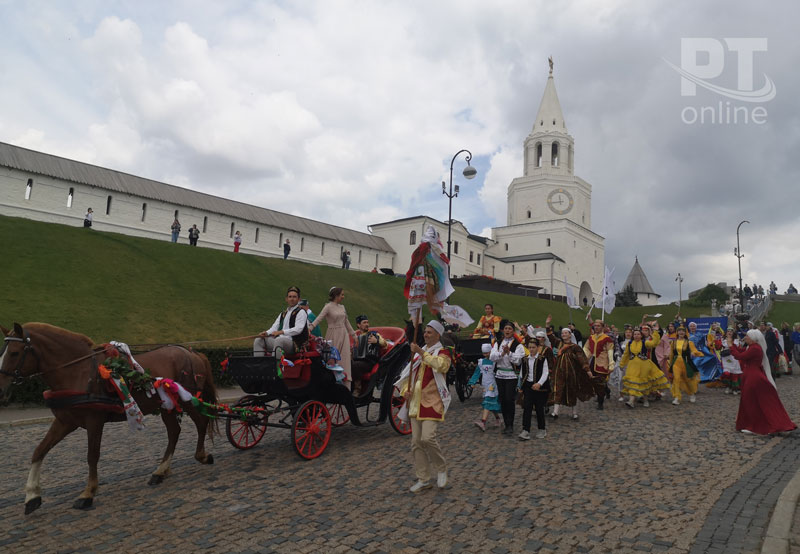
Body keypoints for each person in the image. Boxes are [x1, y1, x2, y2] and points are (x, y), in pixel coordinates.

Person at [395, 320, 452, 492]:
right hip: (415, 402)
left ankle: (441, 469)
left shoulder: (443, 352)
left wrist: (421, 352)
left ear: (437, 335)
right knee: (416, 443)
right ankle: (424, 478)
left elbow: (441, 366)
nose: (425, 334)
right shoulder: (418, 354)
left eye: (429, 332)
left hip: (433, 401)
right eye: (425, 331)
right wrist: (405, 390)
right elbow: (408, 376)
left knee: (428, 438)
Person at [731, 330, 797, 435]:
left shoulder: (755, 348)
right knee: (749, 401)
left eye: (747, 336)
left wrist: (731, 347)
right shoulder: (753, 347)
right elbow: (741, 350)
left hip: (753, 377)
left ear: (753, 338)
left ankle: (754, 425)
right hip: (751, 375)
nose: (745, 338)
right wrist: (732, 345)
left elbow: (741, 356)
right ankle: (751, 424)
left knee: (751, 402)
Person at [309, 287, 357, 387]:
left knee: (345, 360)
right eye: (342, 295)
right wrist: (310, 328)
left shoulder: (342, 307)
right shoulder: (328, 307)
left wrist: (354, 335)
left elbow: (346, 322)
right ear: (336, 295)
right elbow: (319, 318)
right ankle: (331, 386)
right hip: (333, 335)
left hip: (344, 335)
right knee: (333, 361)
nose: (343, 297)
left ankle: (346, 387)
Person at [549, 327, 599, 420]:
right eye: (562, 333)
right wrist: (547, 325)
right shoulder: (559, 344)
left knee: (572, 391)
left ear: (570, 335)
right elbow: (551, 337)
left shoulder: (575, 347)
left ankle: (574, 413)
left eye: (565, 333)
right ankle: (555, 412)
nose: (563, 334)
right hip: (559, 373)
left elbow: (582, 359)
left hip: (571, 373)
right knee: (558, 390)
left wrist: (588, 370)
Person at [490, 320, 526, 435]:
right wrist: (502, 354)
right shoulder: (498, 343)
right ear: (502, 330)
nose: (507, 331)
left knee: (509, 399)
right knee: (503, 400)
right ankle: (506, 423)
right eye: (506, 328)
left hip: (511, 375)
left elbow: (518, 360)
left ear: (513, 331)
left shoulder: (518, 345)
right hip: (500, 375)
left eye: (510, 329)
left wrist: (509, 353)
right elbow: (492, 356)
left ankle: (510, 424)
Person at [620, 326, 669, 408]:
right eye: (635, 334)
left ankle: (645, 399)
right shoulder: (630, 343)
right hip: (632, 365)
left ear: (641, 335)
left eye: (638, 334)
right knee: (633, 382)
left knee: (644, 382)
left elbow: (654, 343)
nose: (636, 335)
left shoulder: (645, 343)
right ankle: (631, 401)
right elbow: (626, 355)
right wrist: (622, 364)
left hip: (644, 365)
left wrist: (654, 333)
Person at [253, 285, 308, 358]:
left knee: (279, 340)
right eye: (290, 297)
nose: (292, 299)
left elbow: (298, 329)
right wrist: (266, 333)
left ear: (299, 299)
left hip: (294, 344)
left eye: (294, 297)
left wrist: (281, 332)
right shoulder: (283, 313)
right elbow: (274, 327)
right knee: (259, 339)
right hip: (279, 342)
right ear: (286, 299)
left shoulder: (301, 312)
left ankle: (274, 366)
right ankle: (259, 365)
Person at [518, 331, 553, 440]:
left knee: (539, 408)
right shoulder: (525, 359)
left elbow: (545, 372)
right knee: (527, 408)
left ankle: (542, 429)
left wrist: (539, 383)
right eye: (530, 347)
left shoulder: (542, 359)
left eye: (533, 347)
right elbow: (522, 373)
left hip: (540, 388)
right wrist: (521, 385)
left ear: (538, 347)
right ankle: (525, 430)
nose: (531, 349)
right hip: (528, 387)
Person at [351, 314, 388, 395]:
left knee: (356, 365)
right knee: (349, 363)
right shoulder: (357, 338)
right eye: (364, 322)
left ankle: (357, 389)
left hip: (370, 362)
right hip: (358, 361)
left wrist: (376, 341)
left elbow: (385, 345)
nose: (367, 324)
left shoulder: (374, 334)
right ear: (358, 325)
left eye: (367, 322)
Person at [468, 343, 502, 431]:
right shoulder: (481, 362)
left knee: (487, 401)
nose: (486, 355)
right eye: (484, 353)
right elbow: (477, 373)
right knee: (490, 403)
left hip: (492, 385)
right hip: (485, 385)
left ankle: (483, 422)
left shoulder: (495, 362)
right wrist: (472, 382)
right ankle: (498, 419)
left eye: (488, 353)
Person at [668, 325, 703, 405]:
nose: (681, 332)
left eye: (683, 331)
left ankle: (691, 394)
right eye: (679, 331)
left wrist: (694, 353)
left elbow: (694, 350)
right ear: (677, 332)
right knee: (676, 379)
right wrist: (670, 364)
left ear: (685, 333)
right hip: (676, 363)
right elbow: (671, 354)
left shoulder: (689, 342)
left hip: (686, 363)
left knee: (688, 380)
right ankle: (677, 397)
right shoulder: (673, 342)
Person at [583, 320, 614, 410]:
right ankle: (606, 390)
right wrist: (583, 359)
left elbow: (610, 351)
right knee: (593, 381)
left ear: (603, 327)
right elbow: (586, 349)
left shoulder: (607, 338)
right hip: (593, 363)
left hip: (603, 363)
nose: (596, 327)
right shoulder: (591, 338)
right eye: (595, 326)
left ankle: (600, 402)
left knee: (600, 382)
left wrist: (611, 363)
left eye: (598, 326)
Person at [719, 328, 743, 395]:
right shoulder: (722, 340)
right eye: (728, 331)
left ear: (733, 333)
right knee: (726, 374)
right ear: (726, 333)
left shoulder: (736, 341)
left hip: (734, 358)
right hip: (726, 359)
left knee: (734, 374)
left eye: (731, 331)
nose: (729, 332)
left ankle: (734, 388)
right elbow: (718, 347)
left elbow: (739, 349)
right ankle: (728, 386)